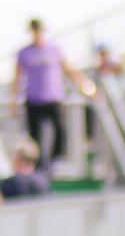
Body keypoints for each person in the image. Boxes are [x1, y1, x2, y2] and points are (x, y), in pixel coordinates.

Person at [11, 18, 93, 172]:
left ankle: (55, 161)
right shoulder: (24, 53)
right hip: (34, 100)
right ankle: (38, 166)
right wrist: (13, 101)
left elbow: (69, 70)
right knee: (35, 138)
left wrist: (85, 85)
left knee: (60, 131)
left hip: (53, 98)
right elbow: (16, 78)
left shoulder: (54, 50)